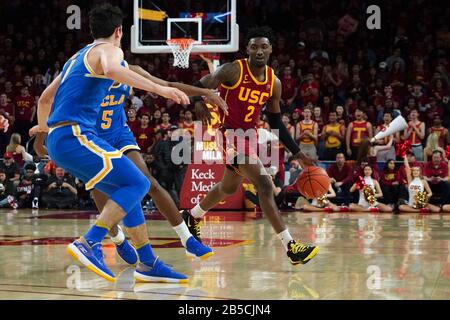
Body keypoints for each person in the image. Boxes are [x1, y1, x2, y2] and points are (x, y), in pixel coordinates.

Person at [29, 3, 191, 283]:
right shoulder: (109, 51)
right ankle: (90, 241)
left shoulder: (75, 58)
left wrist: (44, 130)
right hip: (75, 135)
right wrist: (160, 88)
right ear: (119, 31)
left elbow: (44, 98)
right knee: (139, 183)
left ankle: (148, 262)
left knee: (126, 187)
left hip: (62, 139)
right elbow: (112, 69)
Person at [182, 26, 318, 265]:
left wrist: (296, 152)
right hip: (227, 135)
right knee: (264, 184)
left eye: (264, 46)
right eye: (254, 46)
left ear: (271, 50)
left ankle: (192, 216)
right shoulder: (233, 70)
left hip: (249, 137)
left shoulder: (274, 82)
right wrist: (198, 101)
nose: (259, 51)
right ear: (247, 49)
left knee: (227, 188)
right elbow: (203, 82)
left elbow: (275, 120)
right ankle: (291, 247)